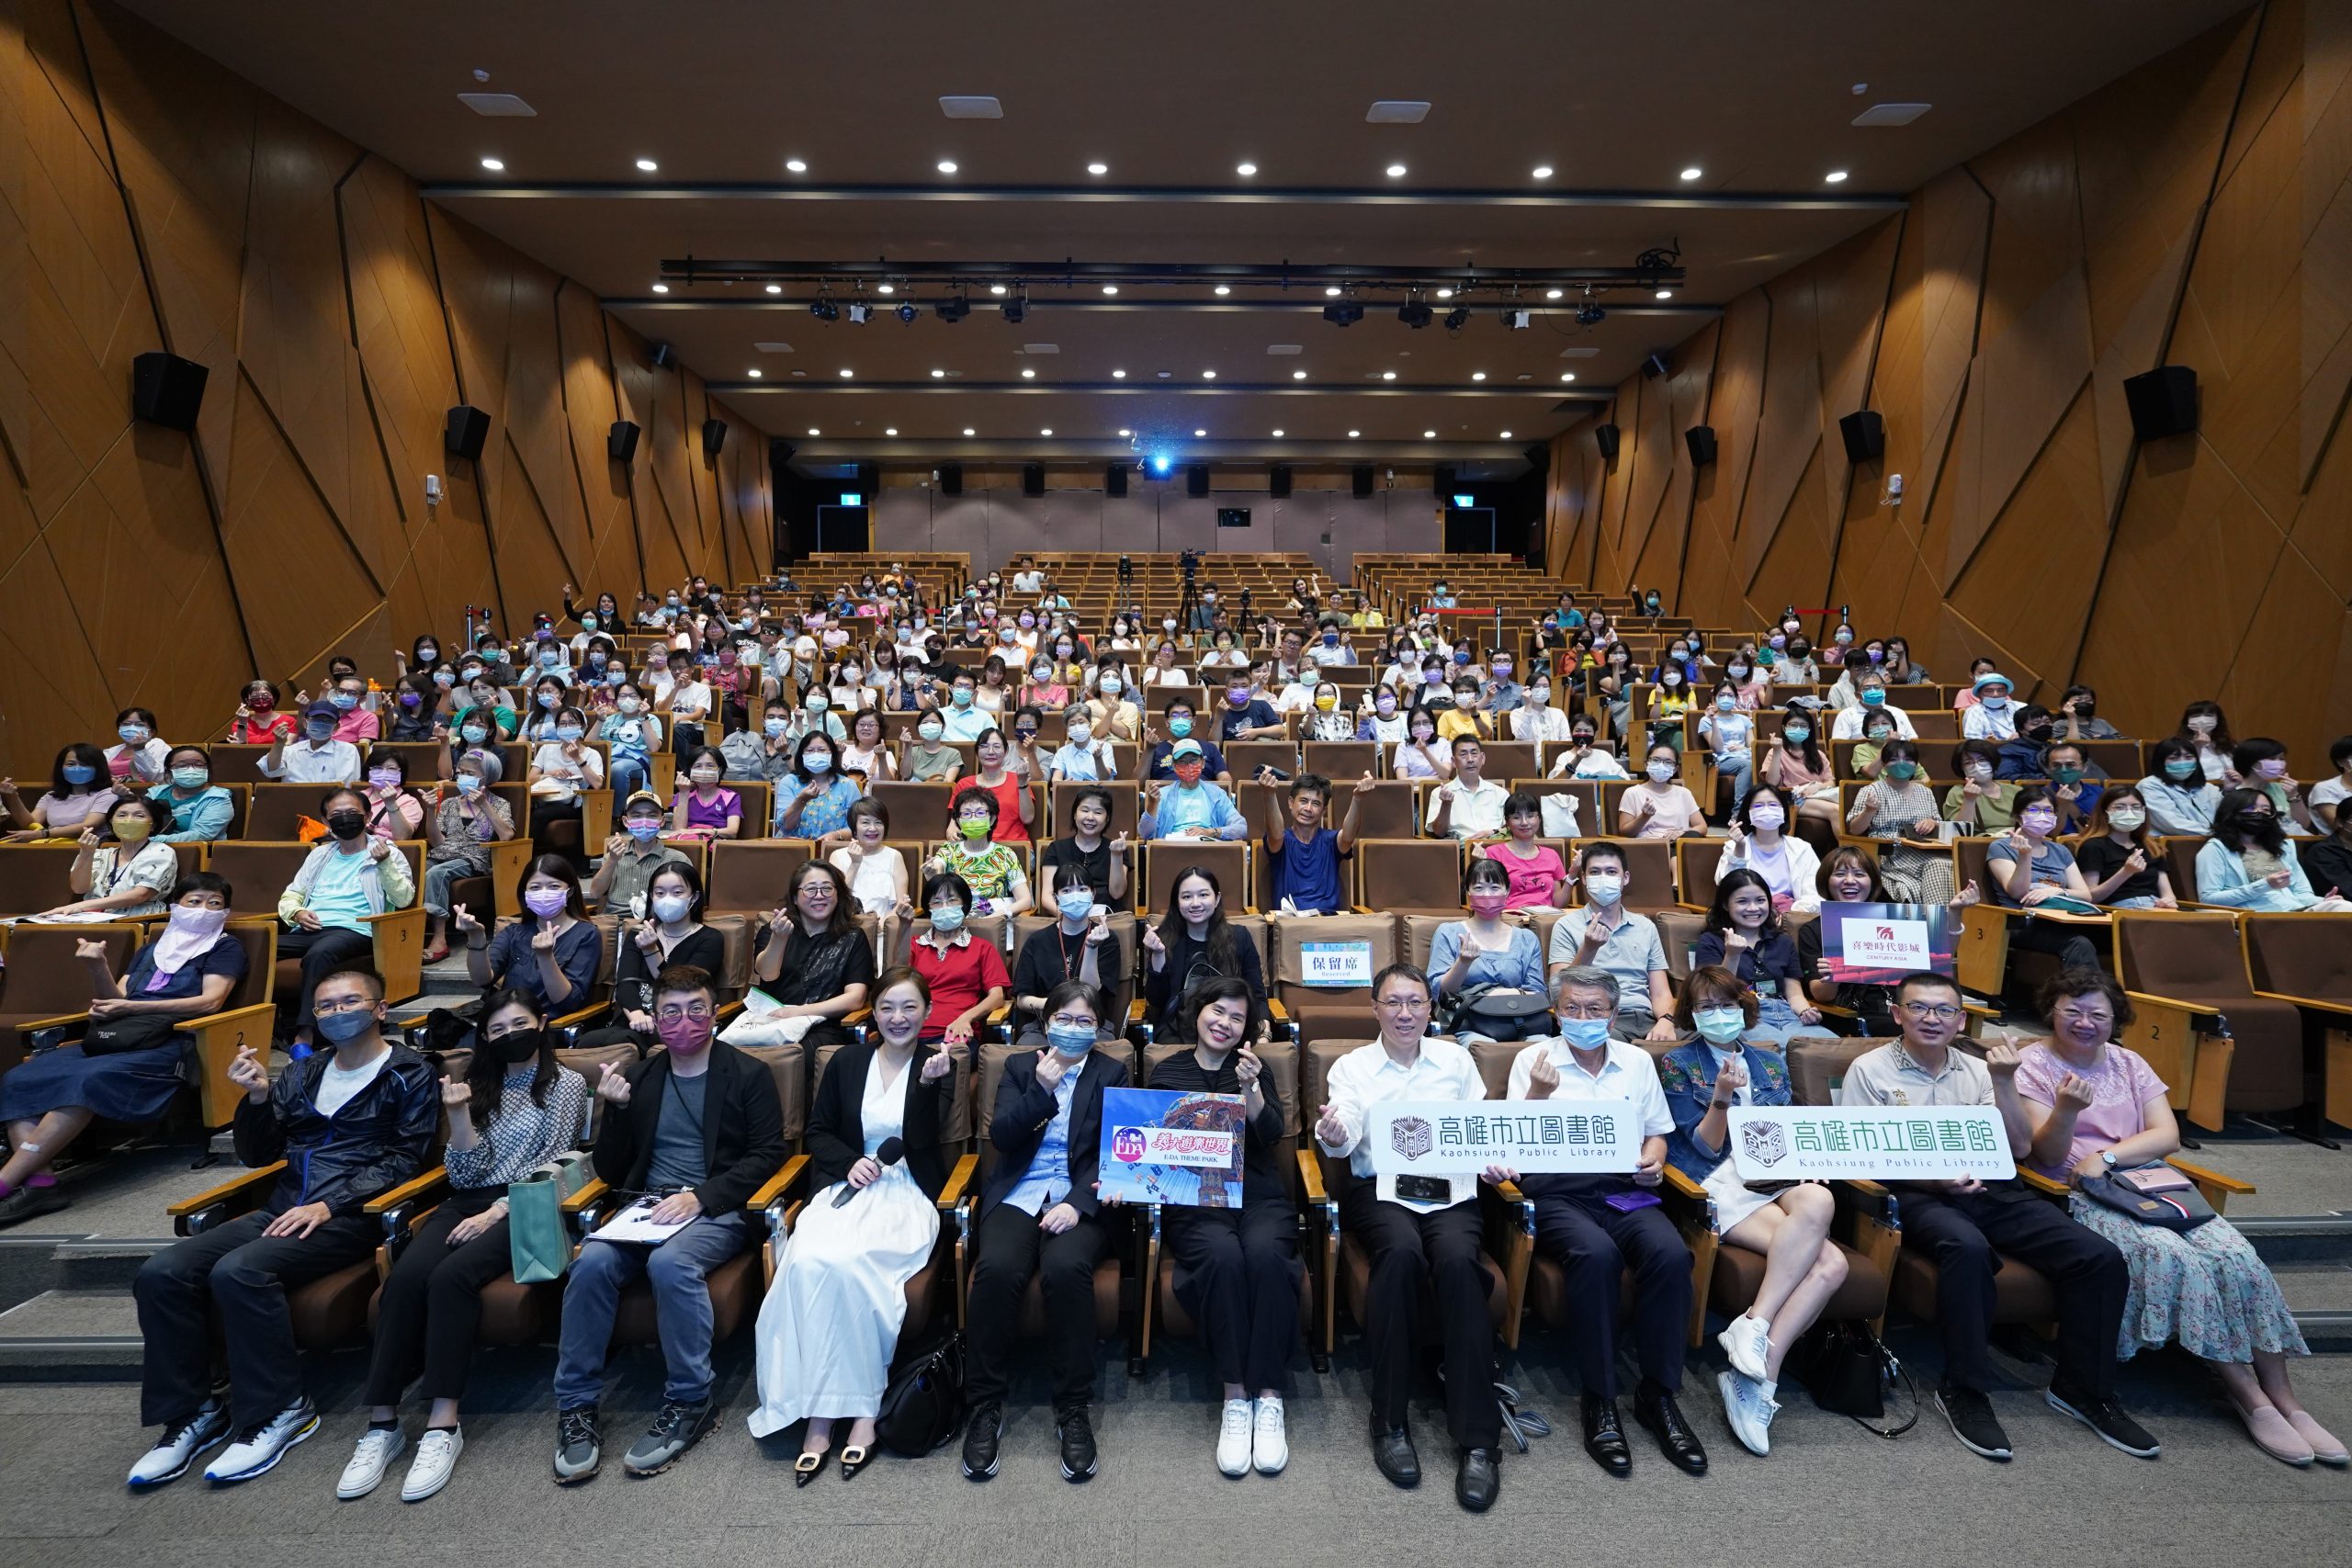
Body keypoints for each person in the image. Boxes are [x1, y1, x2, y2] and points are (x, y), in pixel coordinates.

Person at [2008, 968, 2341, 1466]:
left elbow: (2167, 1136)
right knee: (2171, 1255)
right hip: (2078, 1194)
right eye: (2072, 1011)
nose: (2084, 1022)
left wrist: (2112, 1156)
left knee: (2236, 1257)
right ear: (2051, 1010)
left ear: (2114, 1019)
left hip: (2149, 1185)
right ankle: (2248, 1397)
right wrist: (2068, 1112)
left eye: (2097, 1014)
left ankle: (2287, 1401)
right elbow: (2046, 1153)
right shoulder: (2032, 1064)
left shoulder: (2128, 1062)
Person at [127, 970, 435, 1489]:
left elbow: (408, 1158)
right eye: (325, 1007)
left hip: (352, 1214)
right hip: (284, 1208)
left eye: (350, 1002)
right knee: (162, 1271)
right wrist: (255, 1100)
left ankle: (281, 1408)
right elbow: (260, 1154)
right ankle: (193, 1412)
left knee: (240, 1272)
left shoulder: (409, 1071)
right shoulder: (301, 1073)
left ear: (380, 1009)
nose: (338, 1013)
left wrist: (330, 1204)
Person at [1838, 971, 2150, 1461]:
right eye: (1919, 1008)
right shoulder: (1870, 1069)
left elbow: (2021, 1146)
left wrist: (2003, 1082)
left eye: (1944, 1010)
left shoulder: (1979, 1069)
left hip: (1993, 1188)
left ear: (1962, 1020)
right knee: (1967, 1247)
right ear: (1897, 1014)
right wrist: (1935, 1181)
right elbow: (1861, 1155)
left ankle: (2082, 1388)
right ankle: (1964, 1389)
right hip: (1917, 1194)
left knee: (2099, 1257)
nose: (1931, 1018)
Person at [340, 989, 586, 1502]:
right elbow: (465, 1172)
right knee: (405, 1278)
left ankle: (442, 1423)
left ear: (541, 1024)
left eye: (518, 1024)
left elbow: (558, 1163)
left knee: (453, 1278)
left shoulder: (567, 1084)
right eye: (496, 1029)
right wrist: (459, 1117)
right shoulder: (475, 1084)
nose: (508, 1035)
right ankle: (382, 1423)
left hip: (526, 1206)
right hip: (468, 1198)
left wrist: (499, 1211)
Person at [552, 964, 785, 1483]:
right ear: (655, 1020)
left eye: (696, 1009)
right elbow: (611, 1170)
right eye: (671, 1012)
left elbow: (769, 1153)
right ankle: (577, 1405)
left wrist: (700, 1198)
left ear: (713, 1012)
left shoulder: (748, 1074)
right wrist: (610, 1111)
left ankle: (690, 1400)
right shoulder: (638, 1078)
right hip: (642, 1207)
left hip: (715, 1209)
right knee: (589, 1263)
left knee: (671, 1263)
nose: (685, 1021)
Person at [747, 966, 957, 1476]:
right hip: (846, 1187)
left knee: (854, 1265)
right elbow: (818, 1131)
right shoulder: (845, 1061)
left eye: (910, 1007)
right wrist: (847, 1163)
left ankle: (861, 1406)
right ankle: (819, 1409)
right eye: (887, 1006)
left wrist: (931, 1088)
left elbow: (926, 1145)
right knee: (810, 1261)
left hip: (904, 1195)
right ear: (874, 1011)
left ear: (927, 1012)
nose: (898, 1017)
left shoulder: (937, 1065)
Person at [1314, 964, 1504, 1510]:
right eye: (1393, 1003)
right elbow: (1343, 1128)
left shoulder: (1455, 1060)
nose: (1405, 1013)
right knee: (1398, 1254)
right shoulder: (1353, 1066)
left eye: (1415, 1003)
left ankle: (1478, 1441)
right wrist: (1333, 1133)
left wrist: (1492, 1159)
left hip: (1451, 1188)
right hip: (1382, 1189)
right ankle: (1389, 1419)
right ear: (1374, 1009)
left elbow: (1478, 1126)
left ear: (1430, 1008)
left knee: (1458, 1262)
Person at [1507, 965, 1704, 1477]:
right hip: (1557, 1193)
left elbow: (1658, 1132)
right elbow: (1510, 1144)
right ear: (1556, 1011)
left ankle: (1658, 1394)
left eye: (1594, 1009)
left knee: (1670, 1254)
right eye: (1571, 1008)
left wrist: (1655, 1160)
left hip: (1623, 1192)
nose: (1582, 1017)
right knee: (1595, 1256)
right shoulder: (1534, 1059)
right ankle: (1600, 1397)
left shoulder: (1637, 1062)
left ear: (1615, 1015)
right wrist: (1537, 1097)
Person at [1656, 965, 1849, 1456]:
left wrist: (1806, 1165)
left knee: (1821, 1197)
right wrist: (1720, 1099)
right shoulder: (1680, 1064)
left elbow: (1779, 1133)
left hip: (1769, 1171)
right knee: (1831, 1263)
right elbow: (1700, 1150)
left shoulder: (1770, 1064)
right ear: (1691, 1016)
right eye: (1705, 1008)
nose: (1718, 1016)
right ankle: (1759, 1383)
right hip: (1717, 1176)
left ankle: (1754, 1327)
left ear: (1744, 1009)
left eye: (1726, 1006)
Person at [0, 874, 247, 1228]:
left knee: (87, 1081)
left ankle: (6, 1182)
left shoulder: (225, 948)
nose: (203, 909)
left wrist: (134, 1009)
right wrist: (96, 967)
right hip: (120, 1036)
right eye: (194, 901)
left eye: (214, 903)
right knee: (20, 1078)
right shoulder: (152, 949)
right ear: (174, 907)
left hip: (173, 1040)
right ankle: (40, 1183)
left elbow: (210, 1003)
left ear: (226, 911)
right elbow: (116, 999)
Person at [960, 978, 1130, 1484]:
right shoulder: (1017, 1067)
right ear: (1046, 1022)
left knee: (1066, 1267)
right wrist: (1043, 1090)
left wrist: (1079, 1204)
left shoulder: (1111, 1071)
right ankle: (985, 1404)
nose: (1073, 1030)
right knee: (995, 1269)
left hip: (1081, 1197)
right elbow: (1005, 1137)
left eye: (1084, 1022)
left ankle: (1072, 1408)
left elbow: (1117, 1149)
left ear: (1097, 1028)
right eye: (1064, 1019)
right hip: (1020, 1190)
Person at [1150, 977, 1299, 1476]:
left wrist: (1251, 1089)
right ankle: (1236, 1396)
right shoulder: (1167, 1071)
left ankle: (1270, 1395)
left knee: (1266, 1256)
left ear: (1246, 1028)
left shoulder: (1255, 1070)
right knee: (1222, 1257)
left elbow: (1272, 1135)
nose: (1225, 1024)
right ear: (1198, 1012)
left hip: (1256, 1192)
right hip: (1196, 1196)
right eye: (1218, 1012)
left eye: (1237, 1018)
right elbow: (1150, 1141)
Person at [278, 791, 416, 1050]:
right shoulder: (320, 855)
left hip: (356, 928)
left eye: (353, 814)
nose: (345, 819)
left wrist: (384, 863)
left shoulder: (388, 852)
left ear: (367, 816)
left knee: (320, 954)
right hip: (309, 927)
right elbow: (292, 893)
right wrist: (296, 913)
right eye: (337, 815)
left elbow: (404, 899)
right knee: (253, 948)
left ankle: (306, 1034)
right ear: (325, 820)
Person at [1545, 842, 1677, 1040]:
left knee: (1702, 1041)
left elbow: (1660, 994)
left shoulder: (1645, 926)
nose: (1603, 878)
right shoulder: (1566, 925)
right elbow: (1560, 991)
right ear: (1584, 879)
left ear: (1625, 878)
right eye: (1595, 872)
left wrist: (1666, 1022)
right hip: (1599, 1018)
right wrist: (1589, 949)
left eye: (1611, 871)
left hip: (1648, 1017)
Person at [751, 861, 879, 1052]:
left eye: (827, 889)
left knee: (796, 1053)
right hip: (770, 1020)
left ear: (838, 894)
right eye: (810, 889)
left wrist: (798, 1012)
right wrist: (779, 938)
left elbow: (855, 998)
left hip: (823, 1025)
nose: (819, 896)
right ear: (795, 897)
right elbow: (767, 974)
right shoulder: (774, 930)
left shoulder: (853, 937)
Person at [455, 856, 600, 1017]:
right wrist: (476, 937)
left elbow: (568, 1001)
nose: (544, 894)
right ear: (525, 893)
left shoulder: (586, 934)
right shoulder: (514, 932)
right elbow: (482, 980)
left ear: (570, 891)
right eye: (535, 887)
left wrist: (545, 957)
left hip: (548, 1025)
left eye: (554, 886)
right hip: (505, 1020)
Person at [1694, 870, 1826, 1046]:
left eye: (1760, 900)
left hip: (1787, 1015)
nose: (1753, 908)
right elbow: (1715, 994)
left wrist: (1805, 1012)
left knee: (1829, 1045)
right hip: (1743, 1017)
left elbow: (1794, 993)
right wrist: (1732, 954)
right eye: (1742, 901)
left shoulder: (1783, 942)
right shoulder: (1711, 941)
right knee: (1782, 1048)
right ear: (1726, 905)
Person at [1140, 867, 1266, 1042]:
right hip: (1178, 1032)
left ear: (1217, 899)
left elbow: (1257, 996)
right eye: (1186, 897)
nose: (1195, 903)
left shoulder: (1240, 937)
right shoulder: (1163, 939)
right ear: (1176, 902)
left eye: (1203, 895)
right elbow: (1157, 1002)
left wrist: (1264, 1034)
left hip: (1228, 1029)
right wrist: (1158, 955)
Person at [1431, 859, 1552, 1041]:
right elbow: (1441, 992)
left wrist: (1502, 995)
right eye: (1479, 888)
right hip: (1471, 1022)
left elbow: (1536, 990)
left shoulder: (1526, 938)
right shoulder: (1448, 932)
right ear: (1468, 892)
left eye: (1495, 887)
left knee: (1541, 1045)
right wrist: (1463, 963)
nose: (1487, 894)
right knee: (1483, 1045)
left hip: (1520, 1018)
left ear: (1507, 891)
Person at [1985, 789, 2107, 968]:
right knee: (2079, 944)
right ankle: (2082, 995)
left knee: (2115, 937)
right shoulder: (2001, 847)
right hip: (2023, 923)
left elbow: (2085, 895)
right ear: (2018, 817)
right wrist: (2024, 855)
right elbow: (2018, 892)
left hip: (2062, 920)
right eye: (2034, 810)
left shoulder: (2060, 851)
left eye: (2049, 811)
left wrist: (2057, 891)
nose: (2043, 816)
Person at [418, 752, 514, 961]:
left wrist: (484, 806)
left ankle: (440, 939)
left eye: (470, 773)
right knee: (415, 871)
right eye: (460, 773)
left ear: (486, 777)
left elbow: (507, 835)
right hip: (444, 853)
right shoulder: (451, 803)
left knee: (437, 873)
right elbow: (437, 841)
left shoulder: (499, 804)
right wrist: (431, 810)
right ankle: (410, 935)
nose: (463, 777)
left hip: (475, 858)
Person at [2195, 787, 2352, 912]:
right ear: (2232, 813)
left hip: (2296, 911)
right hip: (2255, 916)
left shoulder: (2282, 847)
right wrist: (2264, 885)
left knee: (2342, 906)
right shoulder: (2215, 849)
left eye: (2265, 810)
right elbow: (2208, 898)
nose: (2259, 814)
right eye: (2251, 808)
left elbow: (2302, 893)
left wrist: (2323, 901)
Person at [31, 795, 178, 920]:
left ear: (152, 825)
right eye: (122, 815)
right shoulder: (101, 853)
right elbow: (79, 888)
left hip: (136, 919)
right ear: (111, 823)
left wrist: (81, 906)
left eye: (139, 816)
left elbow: (141, 895)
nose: (129, 820)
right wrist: (86, 853)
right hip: (90, 917)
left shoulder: (160, 851)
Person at [905, 872, 1011, 1045]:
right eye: (937, 902)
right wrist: (903, 926)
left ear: (964, 905)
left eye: (952, 900)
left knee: (944, 1063)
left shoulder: (982, 948)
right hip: (911, 1031)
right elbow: (895, 980)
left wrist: (966, 1018)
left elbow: (997, 996)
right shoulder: (914, 945)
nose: (945, 907)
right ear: (928, 908)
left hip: (957, 1034)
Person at [1011, 881, 1122, 1043]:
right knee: (1027, 1049)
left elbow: (1093, 991)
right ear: (1056, 897)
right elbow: (1022, 1000)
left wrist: (1091, 947)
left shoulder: (1106, 938)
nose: (1075, 896)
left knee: (1104, 1052)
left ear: (1093, 894)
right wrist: (1058, 1007)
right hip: (1047, 1022)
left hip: (1090, 1023)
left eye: (1082, 889)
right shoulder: (1037, 941)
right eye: (1067, 890)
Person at [1844, 740, 1954, 903]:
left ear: (1916, 764)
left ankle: (1938, 922)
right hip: (1891, 853)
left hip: (1924, 849)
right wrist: (1869, 811)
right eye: (1894, 759)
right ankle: (1937, 924)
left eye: (1908, 759)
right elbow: (1854, 830)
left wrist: (1932, 822)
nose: (1901, 764)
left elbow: (1938, 823)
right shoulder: (1871, 790)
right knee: (1937, 864)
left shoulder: (1925, 792)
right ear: (1884, 764)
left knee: (1947, 863)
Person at [1261, 770, 1371, 914]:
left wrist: (1358, 798)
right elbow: (1275, 833)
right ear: (1291, 803)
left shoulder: (1331, 840)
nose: (1308, 809)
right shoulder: (1282, 840)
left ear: (1323, 810)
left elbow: (1349, 836)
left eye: (1316, 803)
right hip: (1291, 924)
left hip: (1329, 922)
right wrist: (1269, 795)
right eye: (1303, 801)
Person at [927, 790, 1034, 919]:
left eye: (980, 812)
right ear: (959, 821)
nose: (973, 818)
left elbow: (1025, 900)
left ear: (992, 819)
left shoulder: (1005, 854)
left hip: (994, 923)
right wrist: (933, 875)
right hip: (955, 922)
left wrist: (1000, 915)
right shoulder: (948, 850)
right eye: (966, 813)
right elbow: (937, 869)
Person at [1715, 785, 1821, 912]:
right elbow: (1727, 889)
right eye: (1758, 806)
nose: (1767, 810)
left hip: (1791, 917)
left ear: (1784, 811)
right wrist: (1740, 849)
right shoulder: (1734, 847)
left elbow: (1815, 895)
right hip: (1750, 915)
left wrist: (1791, 915)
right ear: (1749, 814)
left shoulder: (1802, 848)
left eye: (1773, 805)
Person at [586, 791, 688, 917]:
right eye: (636, 816)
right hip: (615, 922)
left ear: (662, 821)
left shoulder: (677, 858)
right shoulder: (613, 856)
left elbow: (686, 902)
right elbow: (595, 893)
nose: (644, 821)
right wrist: (612, 860)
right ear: (625, 821)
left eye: (652, 815)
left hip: (656, 921)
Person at [2076, 789, 2177, 909]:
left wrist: (2167, 901)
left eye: (2136, 807)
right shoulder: (2093, 846)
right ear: (2104, 813)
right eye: (2119, 807)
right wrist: (2126, 872)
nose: (2129, 812)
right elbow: (2091, 897)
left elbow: (2168, 894)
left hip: (2156, 906)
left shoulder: (2152, 846)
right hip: (2119, 909)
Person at [1038, 785, 1132, 912]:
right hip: (1066, 919)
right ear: (1075, 814)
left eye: (1098, 812)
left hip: (1106, 920)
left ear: (1107, 818)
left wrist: (1116, 855)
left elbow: (1117, 893)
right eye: (1085, 810)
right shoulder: (1056, 848)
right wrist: (1070, 919)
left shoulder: (1116, 849)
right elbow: (1047, 896)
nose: (1090, 817)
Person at [1476, 791, 1573, 909]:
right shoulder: (1493, 853)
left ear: (1539, 819)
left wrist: (1572, 876)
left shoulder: (1551, 855)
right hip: (1511, 918)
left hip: (1546, 919)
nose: (1524, 822)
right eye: (1516, 817)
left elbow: (1558, 905)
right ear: (1507, 822)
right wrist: (1482, 866)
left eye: (1530, 816)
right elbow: (1489, 901)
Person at [1139, 741, 1248, 840]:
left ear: (1203, 762)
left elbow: (1241, 828)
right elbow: (1145, 834)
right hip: (1173, 850)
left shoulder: (1217, 794)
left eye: (1193, 760)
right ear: (1174, 766)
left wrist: (1211, 832)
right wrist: (1152, 805)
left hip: (1208, 849)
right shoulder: (1162, 795)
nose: (1189, 766)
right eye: (1182, 761)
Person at [142, 747, 232, 844]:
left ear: (207, 769)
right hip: (144, 850)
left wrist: (147, 841)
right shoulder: (156, 793)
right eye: (182, 766)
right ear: (169, 771)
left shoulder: (218, 798)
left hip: (190, 853)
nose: (191, 769)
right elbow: (136, 818)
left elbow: (201, 835)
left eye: (198, 765)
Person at [261, 702, 364, 785]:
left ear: (336, 728)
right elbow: (271, 771)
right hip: (292, 802)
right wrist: (279, 743)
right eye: (316, 720)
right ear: (305, 723)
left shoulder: (348, 750)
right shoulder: (291, 750)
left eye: (327, 721)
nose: (321, 724)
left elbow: (345, 785)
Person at [1426, 737, 1508, 840]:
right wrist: (1446, 804)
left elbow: (1513, 827)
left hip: (1496, 848)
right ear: (1454, 761)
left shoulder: (1500, 793)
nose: (1470, 759)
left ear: (1482, 758)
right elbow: (1439, 832)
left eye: (1474, 754)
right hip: (1462, 850)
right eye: (1463, 754)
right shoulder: (1440, 793)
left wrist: (1493, 833)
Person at [2138, 737, 2222, 836]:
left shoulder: (2208, 787)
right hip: (2175, 845)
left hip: (2214, 841)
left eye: (2188, 757)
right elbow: (2173, 824)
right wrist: (2215, 835)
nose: (2182, 762)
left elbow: (2226, 817)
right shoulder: (2150, 785)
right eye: (2173, 758)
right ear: (2161, 762)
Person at [1619, 742, 1704, 839]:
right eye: (1656, 760)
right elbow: (1625, 832)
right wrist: (1644, 816)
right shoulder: (1632, 793)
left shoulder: (1684, 793)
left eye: (1668, 762)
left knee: (1694, 837)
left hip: (1679, 844)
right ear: (1646, 764)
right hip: (1651, 847)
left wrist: (1682, 833)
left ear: (1675, 769)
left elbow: (1702, 826)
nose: (1661, 766)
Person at [1698, 680, 1756, 812]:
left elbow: (1753, 746)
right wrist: (1713, 721)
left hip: (1744, 755)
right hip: (1721, 760)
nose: (1726, 698)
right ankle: (1738, 813)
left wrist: (1743, 748)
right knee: (1748, 765)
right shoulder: (1706, 720)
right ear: (1715, 698)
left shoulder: (1744, 720)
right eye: (1722, 695)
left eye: (1730, 695)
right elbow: (1717, 748)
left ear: (1736, 699)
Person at [666, 747, 743, 843]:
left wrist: (702, 831)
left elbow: (732, 832)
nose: (704, 770)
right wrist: (684, 793)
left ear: (719, 770)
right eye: (698, 766)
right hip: (689, 844)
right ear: (691, 771)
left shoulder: (731, 797)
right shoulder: (682, 794)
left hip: (716, 844)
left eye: (710, 765)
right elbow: (678, 830)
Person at [1944, 739, 2020, 834]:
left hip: (2018, 842)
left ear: (1993, 762)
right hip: (1980, 845)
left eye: (1982, 760)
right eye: (1968, 762)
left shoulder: (2016, 791)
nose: (1977, 766)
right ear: (1961, 768)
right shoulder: (1957, 793)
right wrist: (1969, 800)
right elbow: (1958, 833)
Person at [1394, 705, 1454, 782]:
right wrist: (1436, 779)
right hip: (1412, 792)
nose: (1422, 727)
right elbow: (1402, 780)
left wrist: (1425, 751)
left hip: (1439, 790)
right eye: (1416, 723)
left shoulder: (1444, 743)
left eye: (1426, 722)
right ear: (1410, 726)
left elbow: (1445, 774)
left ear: (1433, 723)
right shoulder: (1403, 747)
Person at [1961, 672, 2019, 740]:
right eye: (1989, 691)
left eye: (2000, 690)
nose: (1995, 694)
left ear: (2006, 692)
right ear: (1979, 694)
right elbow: (1973, 740)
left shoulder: (2020, 707)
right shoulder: (1974, 711)